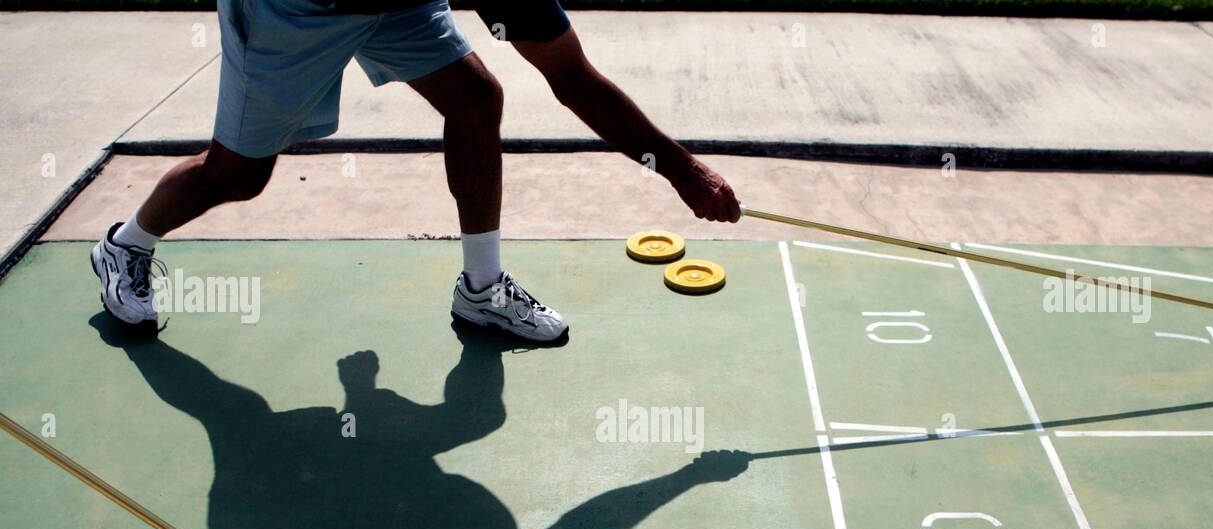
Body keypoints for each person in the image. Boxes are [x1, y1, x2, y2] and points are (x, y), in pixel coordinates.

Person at [91, 0, 740, 343]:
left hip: (395, 4)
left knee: (476, 98)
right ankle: (125, 247)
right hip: (295, 8)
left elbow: (571, 78)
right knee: (237, 177)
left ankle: (482, 291)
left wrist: (682, 170)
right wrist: (684, 172)